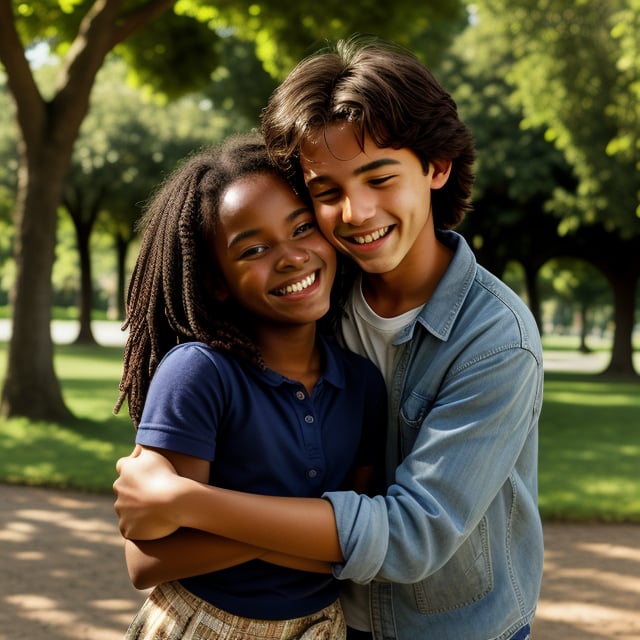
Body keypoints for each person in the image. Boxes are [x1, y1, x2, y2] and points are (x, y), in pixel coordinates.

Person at [114, 36, 544, 640]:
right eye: (327, 192)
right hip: (334, 620)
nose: (357, 212)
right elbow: (150, 550)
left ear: (436, 168)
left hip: (448, 628)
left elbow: (413, 535)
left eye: (380, 177)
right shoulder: (316, 297)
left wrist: (185, 502)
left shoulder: (496, 340)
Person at [112, 132, 387, 639]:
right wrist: (312, 529)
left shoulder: (363, 384)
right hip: (203, 624)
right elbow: (148, 559)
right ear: (217, 280)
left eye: (303, 228)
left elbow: (356, 542)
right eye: (254, 248)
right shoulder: (199, 374)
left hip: (322, 628)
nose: (291, 256)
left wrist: (211, 514)